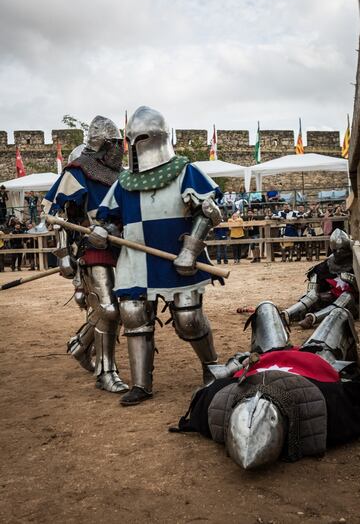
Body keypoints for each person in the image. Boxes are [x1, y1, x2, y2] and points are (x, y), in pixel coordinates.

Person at [96, 106, 222, 406]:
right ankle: (141, 384)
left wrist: (190, 250)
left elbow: (210, 213)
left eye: (141, 137)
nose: (136, 145)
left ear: (157, 137)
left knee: (189, 319)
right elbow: (112, 219)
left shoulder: (185, 171)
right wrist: (102, 231)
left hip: (177, 258)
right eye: (132, 139)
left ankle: (212, 369)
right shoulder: (124, 182)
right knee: (133, 315)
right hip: (137, 260)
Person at [173, 300, 360, 470]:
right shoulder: (327, 404)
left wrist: (239, 362)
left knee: (266, 309)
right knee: (338, 315)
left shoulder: (217, 401)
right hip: (316, 361)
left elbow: (201, 393)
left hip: (267, 356)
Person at [44, 116, 128, 394]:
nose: (119, 149)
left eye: (120, 143)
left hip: (122, 246)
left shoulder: (122, 175)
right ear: (102, 144)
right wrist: (63, 255)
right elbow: (57, 214)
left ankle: (80, 345)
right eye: (114, 143)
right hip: (92, 247)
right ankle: (106, 372)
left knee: (122, 309)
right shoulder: (78, 170)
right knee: (109, 309)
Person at [282, 229, 358, 328]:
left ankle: (312, 319)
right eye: (336, 250)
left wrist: (351, 279)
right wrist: (316, 295)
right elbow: (313, 286)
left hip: (353, 304)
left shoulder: (356, 262)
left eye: (342, 249)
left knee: (346, 296)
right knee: (313, 295)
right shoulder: (327, 264)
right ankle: (286, 315)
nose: (338, 252)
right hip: (331, 298)